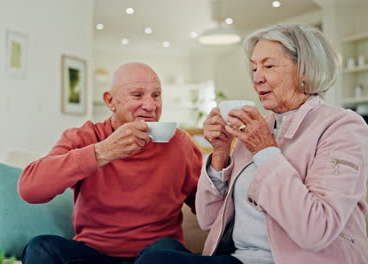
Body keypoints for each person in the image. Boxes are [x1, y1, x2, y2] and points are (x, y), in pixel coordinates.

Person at [135, 24, 368, 264]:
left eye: (268, 66)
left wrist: (265, 151)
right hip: (239, 256)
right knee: (158, 247)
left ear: (306, 71)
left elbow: (316, 230)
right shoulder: (260, 127)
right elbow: (208, 221)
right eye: (254, 67)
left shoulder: (343, 126)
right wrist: (220, 154)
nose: (256, 78)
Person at [17, 62, 203, 264]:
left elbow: (207, 209)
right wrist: (103, 152)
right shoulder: (84, 137)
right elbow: (30, 189)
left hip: (156, 254)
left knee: (163, 253)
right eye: (138, 95)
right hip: (94, 254)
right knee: (42, 247)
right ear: (110, 101)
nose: (151, 105)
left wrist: (222, 160)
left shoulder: (180, 143)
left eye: (156, 95)